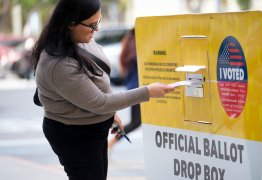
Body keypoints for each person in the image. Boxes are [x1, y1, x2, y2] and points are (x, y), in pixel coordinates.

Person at [31, 0, 175, 180]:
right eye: (91, 25)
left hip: (91, 127)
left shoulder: (80, 39)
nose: (96, 30)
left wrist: (109, 115)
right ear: (70, 23)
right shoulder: (57, 63)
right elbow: (99, 102)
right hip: (74, 135)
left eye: (98, 22)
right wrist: (147, 92)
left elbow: (93, 90)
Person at [108, 28, 141, 150]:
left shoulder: (129, 42)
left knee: (136, 122)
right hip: (139, 90)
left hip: (134, 88)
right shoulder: (136, 47)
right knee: (136, 122)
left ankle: (111, 142)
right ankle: (111, 143)